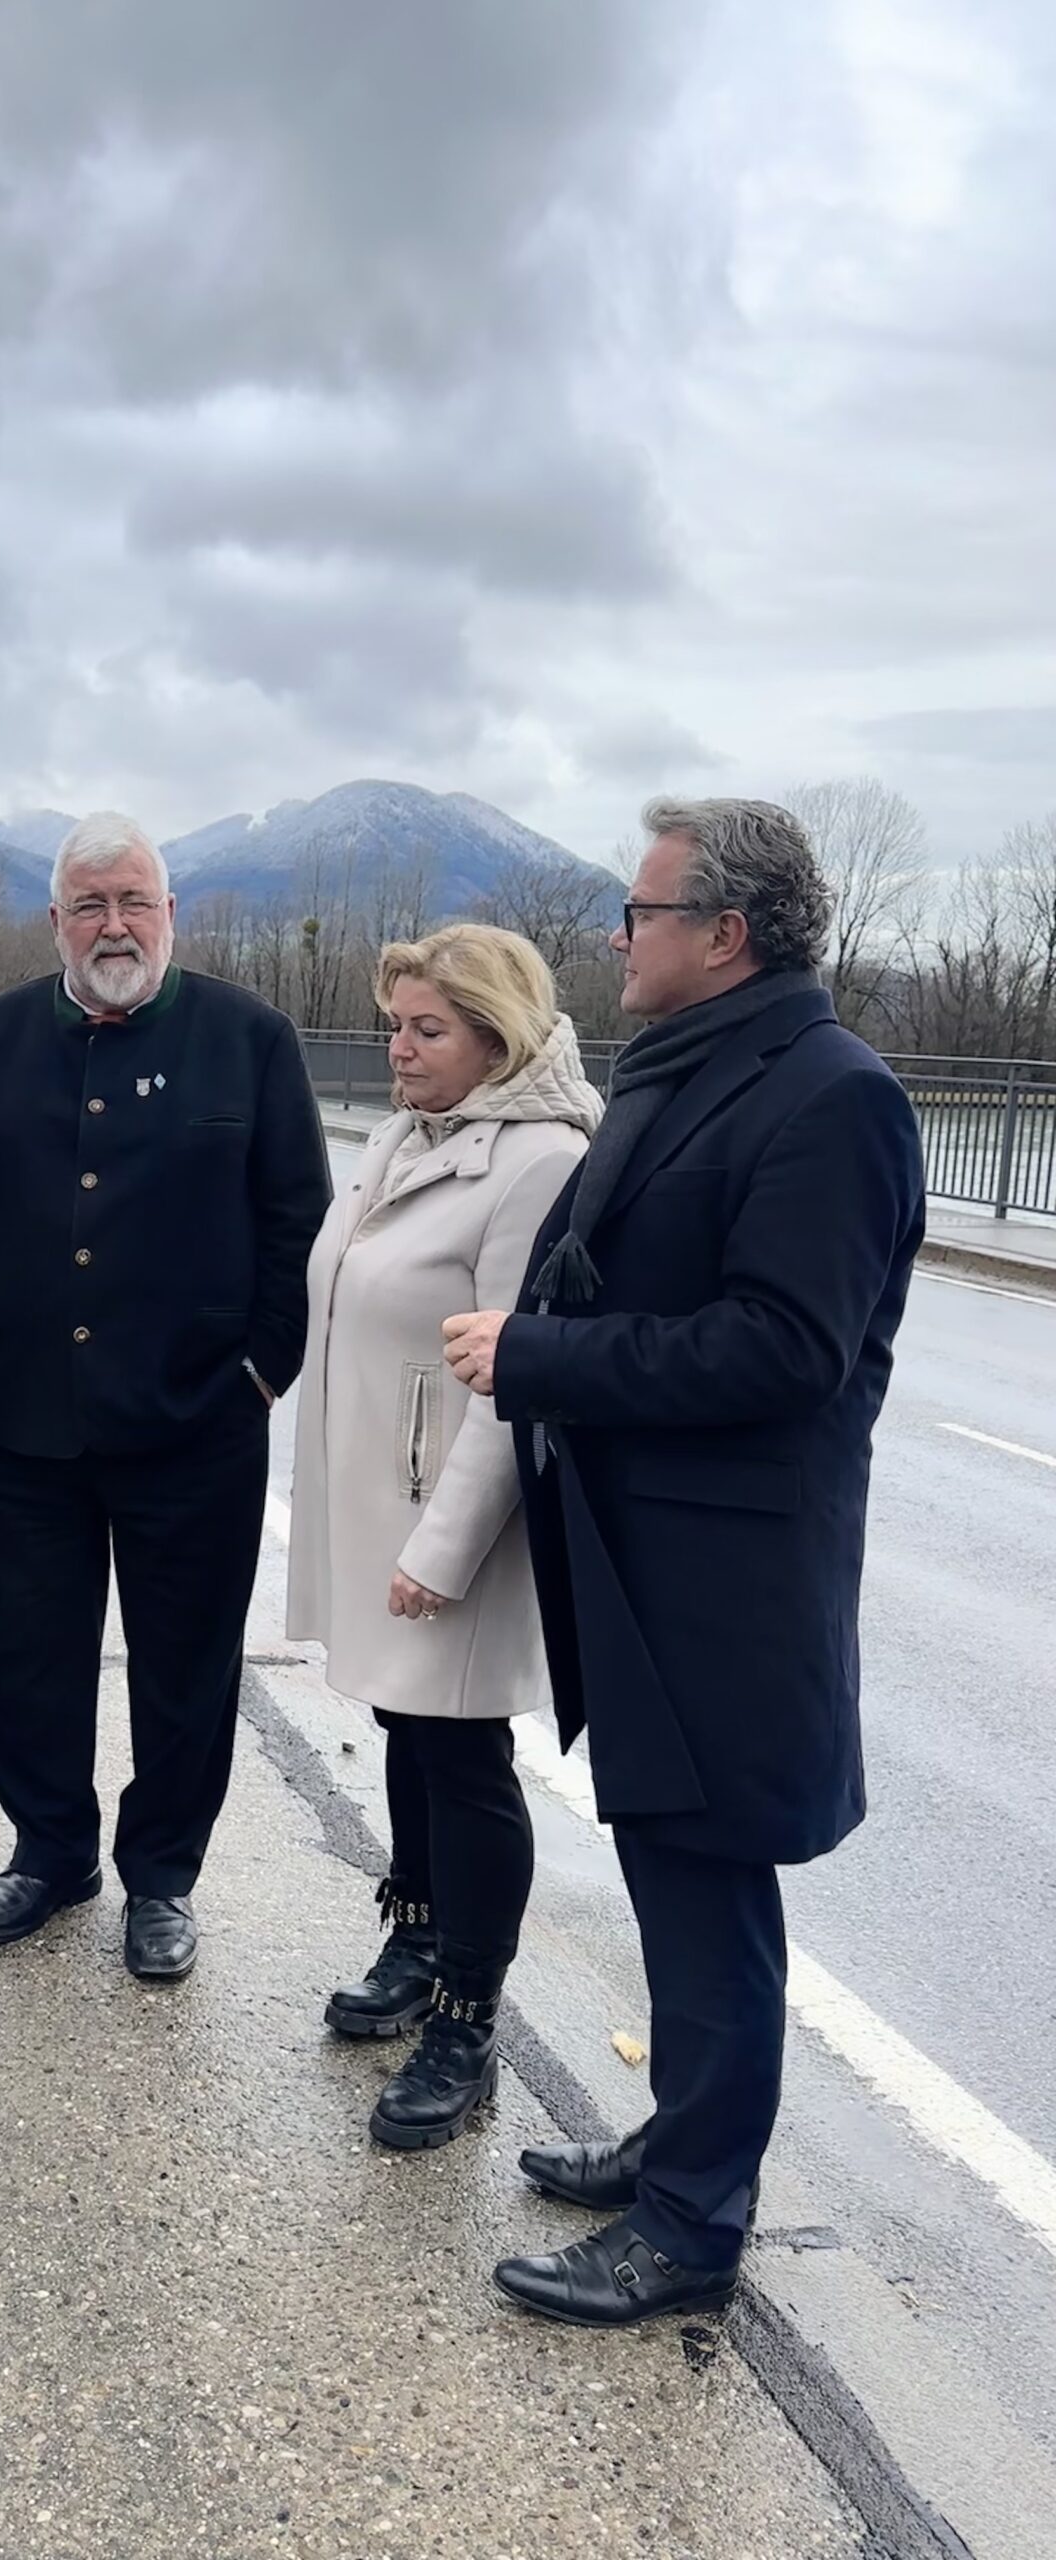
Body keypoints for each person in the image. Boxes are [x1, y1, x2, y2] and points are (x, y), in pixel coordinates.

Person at [442, 798, 925, 2326]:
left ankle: (693, 2228)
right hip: (649, 1567)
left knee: (713, 1900)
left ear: (724, 934)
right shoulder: (697, 1065)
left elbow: (784, 1350)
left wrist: (543, 1357)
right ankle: (683, 2143)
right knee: (675, 1880)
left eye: (639, 913)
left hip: (730, 1592)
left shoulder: (833, 1097)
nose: (616, 937)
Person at [0, 813, 330, 1980]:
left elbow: (299, 1225)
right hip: (19, 1414)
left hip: (198, 1423)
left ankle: (163, 1876)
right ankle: (49, 1853)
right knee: (25, 1652)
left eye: (134, 900)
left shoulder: (251, 1038)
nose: (114, 924)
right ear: (57, 921)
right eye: (90, 904)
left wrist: (262, 1371)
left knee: (187, 1666)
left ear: (170, 913)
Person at [289, 928, 601, 2147]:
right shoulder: (408, 1136)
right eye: (395, 1027)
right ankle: (415, 1938)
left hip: (445, 1513)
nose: (400, 1050)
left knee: (463, 1757)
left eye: (428, 1029)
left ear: (495, 1036)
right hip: (376, 1494)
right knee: (405, 1728)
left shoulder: (538, 1159)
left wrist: (444, 1548)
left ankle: (468, 2017)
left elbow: (513, 1376)